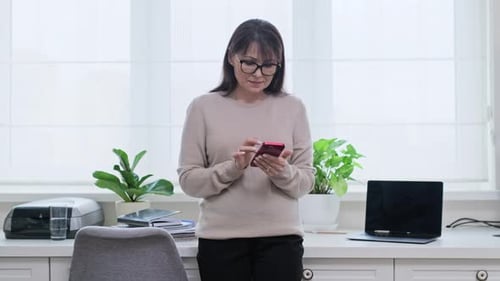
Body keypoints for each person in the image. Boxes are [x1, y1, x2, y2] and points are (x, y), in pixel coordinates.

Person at [177, 18, 314, 281]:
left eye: (269, 65)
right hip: (220, 241)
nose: (258, 73)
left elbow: (305, 183)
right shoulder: (202, 107)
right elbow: (189, 181)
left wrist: (281, 172)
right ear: (231, 57)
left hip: (281, 240)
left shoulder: (293, 108)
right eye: (249, 62)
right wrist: (233, 168)